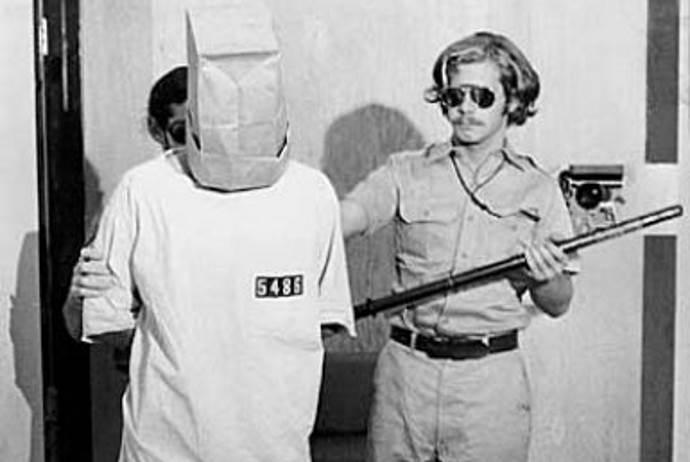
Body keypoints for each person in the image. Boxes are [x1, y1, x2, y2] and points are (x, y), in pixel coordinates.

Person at [62, 19, 354, 461]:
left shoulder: (311, 193)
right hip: (166, 447)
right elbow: (97, 321)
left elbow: (324, 318)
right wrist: (183, 333)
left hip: (274, 447)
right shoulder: (143, 190)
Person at [340, 31, 578, 462]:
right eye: (454, 96)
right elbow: (348, 217)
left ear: (511, 101)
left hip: (489, 386)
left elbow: (559, 303)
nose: (466, 108)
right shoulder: (404, 171)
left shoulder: (538, 189)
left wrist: (547, 278)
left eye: (482, 96)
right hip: (404, 377)